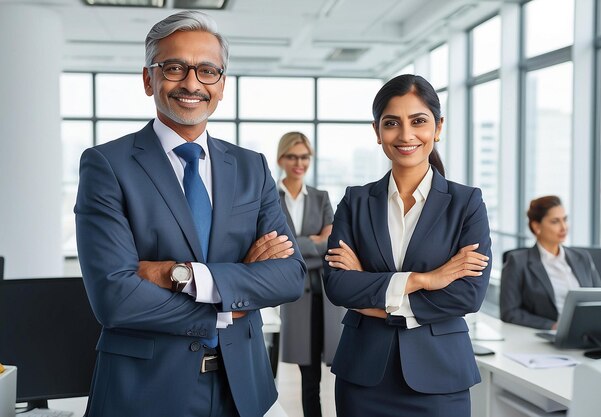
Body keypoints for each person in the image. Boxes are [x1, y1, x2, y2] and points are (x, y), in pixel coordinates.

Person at [74, 11, 305, 417]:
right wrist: (233, 297)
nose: (192, 83)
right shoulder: (106, 165)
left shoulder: (251, 167)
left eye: (207, 71)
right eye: (175, 67)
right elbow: (116, 299)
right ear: (149, 78)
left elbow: (290, 276)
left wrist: (180, 275)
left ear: (222, 84)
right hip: (145, 392)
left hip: (244, 390)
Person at [322, 74, 492, 417]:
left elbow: (468, 294)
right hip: (363, 377)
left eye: (418, 121)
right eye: (391, 123)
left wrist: (374, 296)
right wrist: (426, 280)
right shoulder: (355, 202)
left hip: (441, 378)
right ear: (377, 131)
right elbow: (339, 286)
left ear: (438, 127)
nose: (405, 135)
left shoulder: (466, 203)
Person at [275, 132, 344, 417]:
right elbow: (273, 244)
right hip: (292, 293)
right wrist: (312, 242)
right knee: (306, 373)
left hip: (325, 295)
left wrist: (299, 244)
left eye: (304, 157)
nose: (299, 163)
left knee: (327, 371)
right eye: (292, 156)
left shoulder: (320, 197)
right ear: (281, 159)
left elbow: (332, 244)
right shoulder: (270, 197)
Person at [500, 195, 601, 330]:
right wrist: (552, 326)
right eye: (555, 221)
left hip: (590, 333)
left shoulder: (582, 257)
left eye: (565, 219)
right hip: (547, 337)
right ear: (536, 226)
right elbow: (509, 312)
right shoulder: (518, 262)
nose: (564, 227)